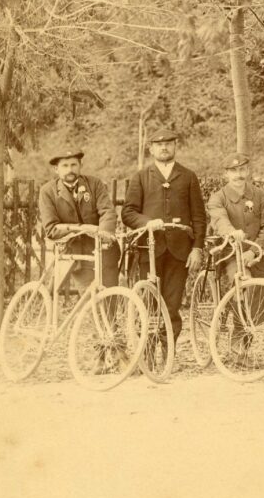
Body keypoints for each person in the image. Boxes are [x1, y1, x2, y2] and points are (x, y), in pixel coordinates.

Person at [122, 129, 207, 342]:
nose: (164, 147)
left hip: (180, 251)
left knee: (172, 303)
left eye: (169, 143)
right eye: (159, 144)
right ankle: (147, 352)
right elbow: (128, 213)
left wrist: (197, 248)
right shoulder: (141, 177)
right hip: (149, 249)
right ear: (151, 149)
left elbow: (198, 216)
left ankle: (168, 350)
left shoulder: (188, 176)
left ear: (176, 146)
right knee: (148, 301)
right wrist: (147, 223)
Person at [206, 154, 264, 354]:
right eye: (234, 171)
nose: (238, 175)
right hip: (230, 255)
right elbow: (219, 220)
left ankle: (246, 330)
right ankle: (240, 336)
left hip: (258, 255)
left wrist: (254, 249)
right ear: (226, 174)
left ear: (247, 171)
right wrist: (231, 233)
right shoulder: (218, 198)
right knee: (241, 283)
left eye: (242, 170)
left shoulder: (259, 195)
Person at [37, 149, 120, 289]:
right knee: (89, 299)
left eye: (74, 165)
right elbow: (51, 228)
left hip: (103, 249)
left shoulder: (94, 184)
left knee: (110, 298)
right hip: (76, 252)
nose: (70, 169)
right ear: (56, 169)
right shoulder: (48, 191)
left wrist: (104, 233)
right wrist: (80, 229)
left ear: (80, 165)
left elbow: (107, 211)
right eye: (65, 166)